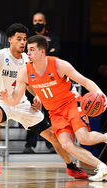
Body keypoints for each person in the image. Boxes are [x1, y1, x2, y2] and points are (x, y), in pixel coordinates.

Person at [0, 34, 107, 181]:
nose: (27, 53)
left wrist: (99, 93)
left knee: (84, 138)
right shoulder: (25, 72)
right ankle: (103, 168)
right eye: (28, 50)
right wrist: (7, 99)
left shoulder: (59, 65)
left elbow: (85, 81)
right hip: (54, 112)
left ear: (42, 51)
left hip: (72, 104)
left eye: (31, 49)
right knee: (66, 145)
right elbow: (15, 99)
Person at [0, 23, 88, 179]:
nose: (22, 42)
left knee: (53, 137)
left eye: (24, 39)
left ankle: (70, 166)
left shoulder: (29, 59)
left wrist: (37, 96)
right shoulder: (0, 55)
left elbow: (32, 83)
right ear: (10, 40)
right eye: (18, 39)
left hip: (22, 104)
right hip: (1, 101)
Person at [23, 12, 61, 154]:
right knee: (33, 111)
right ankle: (29, 145)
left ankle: (51, 144)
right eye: (35, 20)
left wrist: (41, 57)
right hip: (33, 80)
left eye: (40, 20)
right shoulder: (29, 39)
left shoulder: (54, 37)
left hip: (50, 81)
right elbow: (28, 58)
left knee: (50, 113)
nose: (37, 23)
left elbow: (55, 54)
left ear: (45, 22)